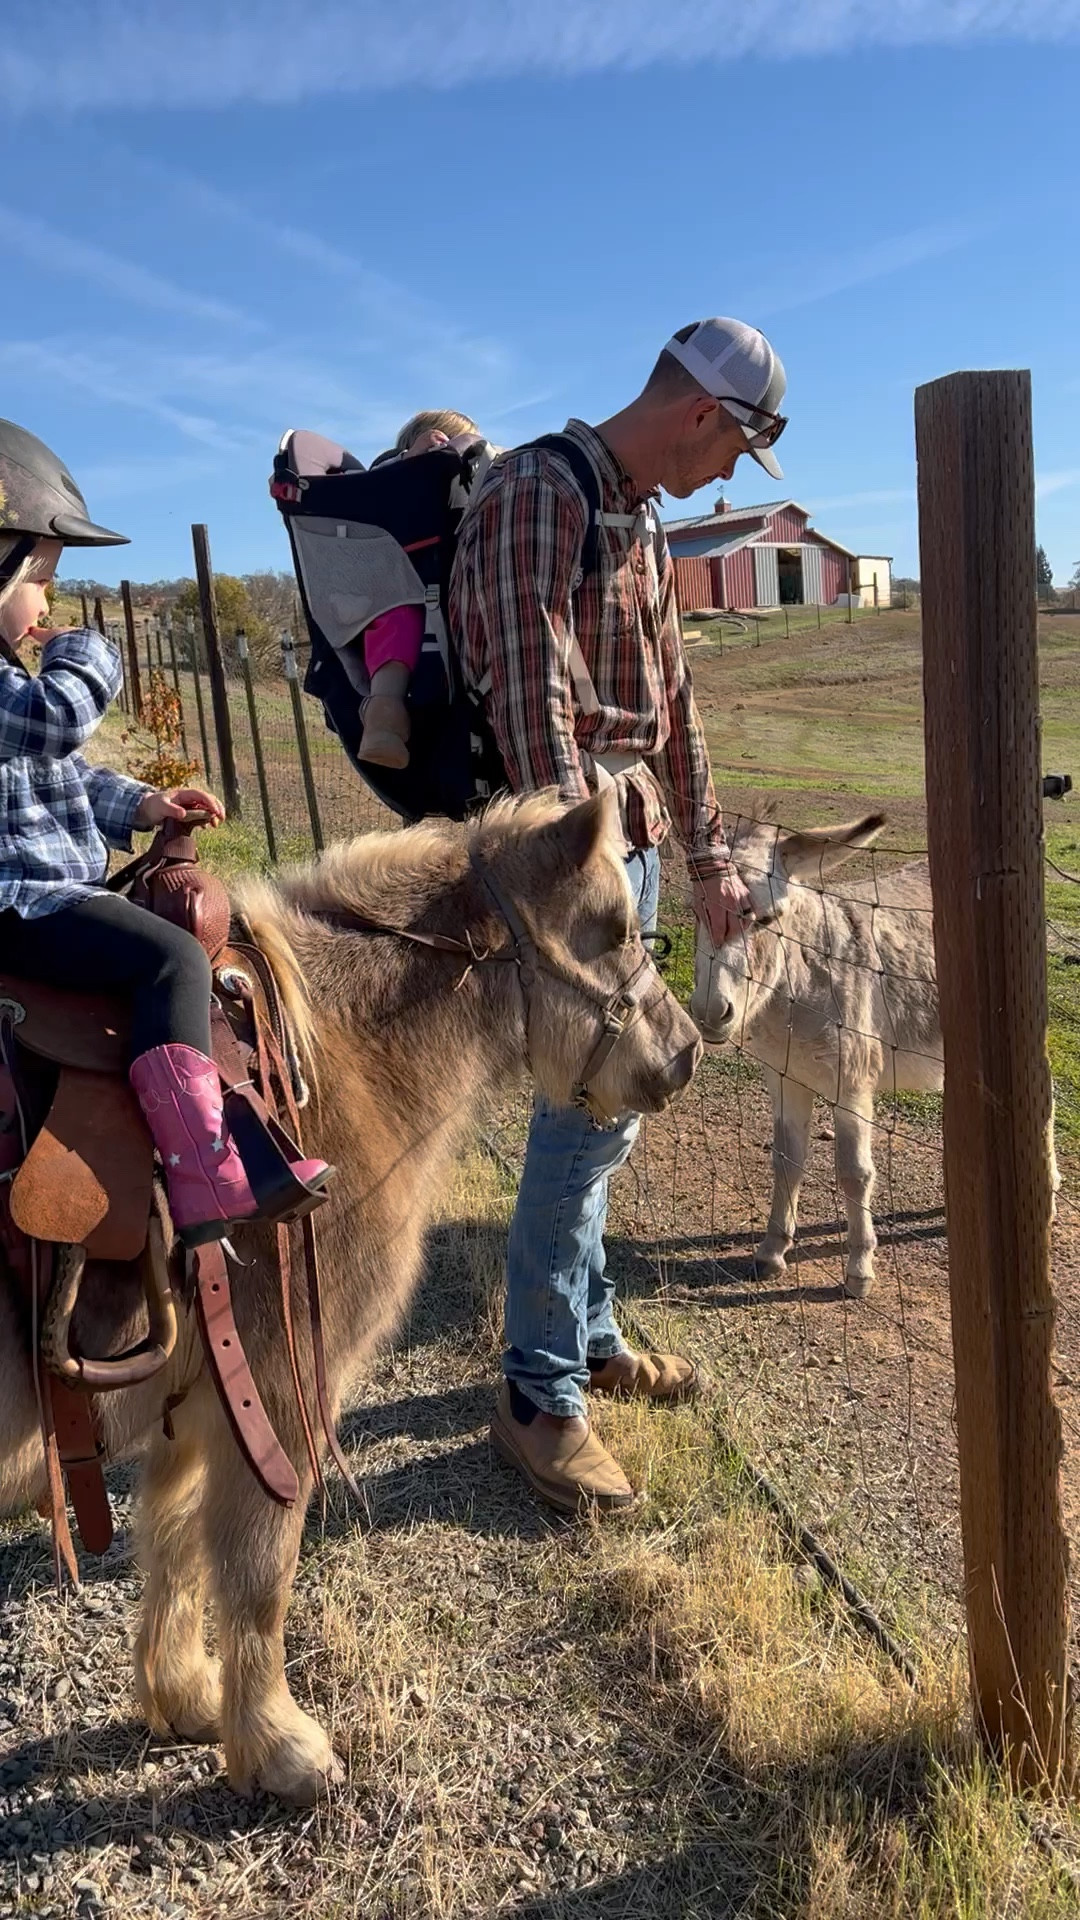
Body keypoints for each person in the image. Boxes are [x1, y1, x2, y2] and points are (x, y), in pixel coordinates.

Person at [451, 316, 788, 1514]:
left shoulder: (632, 516)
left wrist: (705, 854)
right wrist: (589, 883)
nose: (731, 475)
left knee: (608, 1119)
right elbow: (534, 707)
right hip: (573, 868)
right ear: (702, 412)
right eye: (736, 448)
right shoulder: (537, 496)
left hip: (625, 850)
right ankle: (539, 1397)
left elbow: (672, 703)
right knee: (580, 1120)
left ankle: (587, 1339)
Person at [0, 419, 331, 1247]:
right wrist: (90, 651)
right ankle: (206, 1175)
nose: (48, 603)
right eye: (44, 578)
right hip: (20, 902)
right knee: (171, 957)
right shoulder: (18, 689)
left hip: (41, 892)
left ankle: (207, 1132)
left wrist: (142, 805)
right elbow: (57, 722)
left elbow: (59, 775)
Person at [357, 407, 481, 769]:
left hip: (459, 596)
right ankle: (384, 714)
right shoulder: (387, 477)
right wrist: (412, 461)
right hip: (402, 594)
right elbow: (375, 489)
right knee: (396, 620)